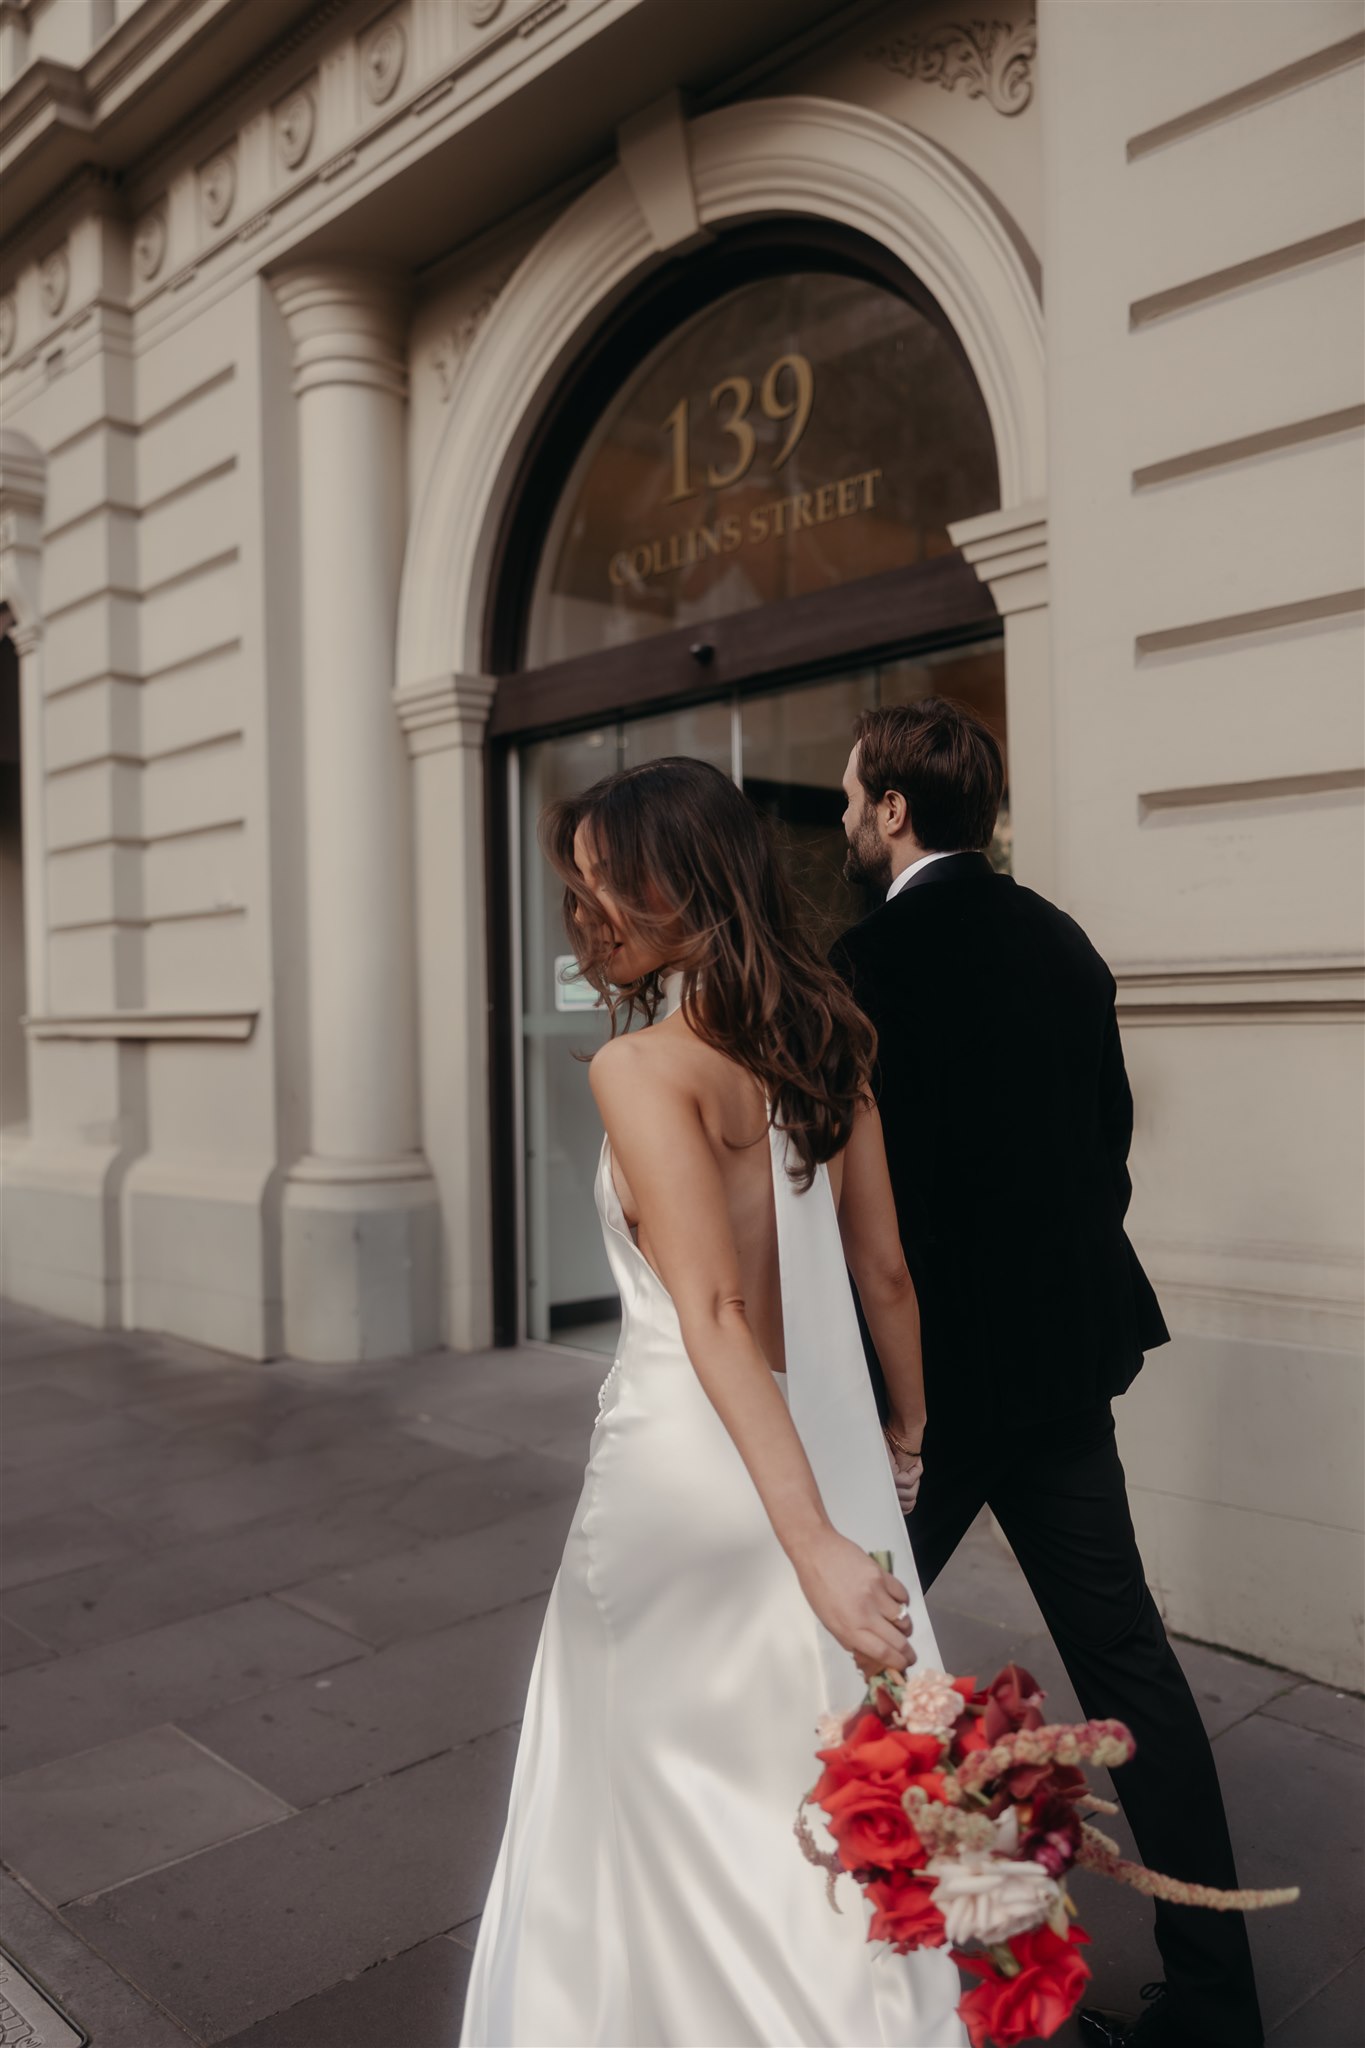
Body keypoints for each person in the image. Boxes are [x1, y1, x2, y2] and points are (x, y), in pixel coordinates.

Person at [459, 756, 965, 2048]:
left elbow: (712, 1316)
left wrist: (808, 1553)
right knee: (807, 1795)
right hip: (821, 1459)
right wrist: (901, 1437)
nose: (587, 925)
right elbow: (885, 1273)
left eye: (600, 895)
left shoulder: (638, 1071)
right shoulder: (827, 1044)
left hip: (688, 1474)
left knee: (638, 1799)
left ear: (668, 894)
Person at [831, 697, 1264, 2048]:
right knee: (1130, 1667)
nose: (843, 817)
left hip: (923, 1388)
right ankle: (1215, 2002)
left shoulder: (858, 964)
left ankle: (883, 1980)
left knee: (834, 1660)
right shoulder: (1065, 946)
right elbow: (1105, 1148)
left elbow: (850, 1205)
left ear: (894, 809)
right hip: (1059, 1370)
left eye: (851, 798)